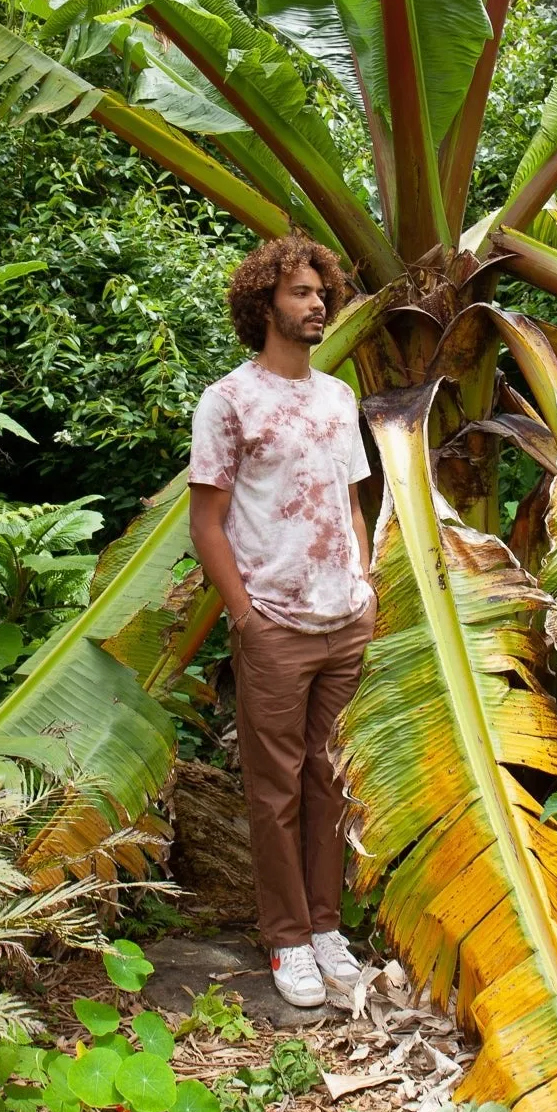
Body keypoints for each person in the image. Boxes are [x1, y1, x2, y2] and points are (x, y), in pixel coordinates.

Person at [187, 233, 377, 1008]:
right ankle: (287, 939)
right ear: (264, 303)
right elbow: (207, 520)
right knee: (275, 791)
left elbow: (353, 502)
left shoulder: (337, 397)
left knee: (331, 781)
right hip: (275, 623)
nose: (317, 302)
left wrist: (363, 583)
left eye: (320, 290)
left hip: (345, 618)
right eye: (300, 292)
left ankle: (326, 927)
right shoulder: (229, 400)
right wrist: (244, 614)